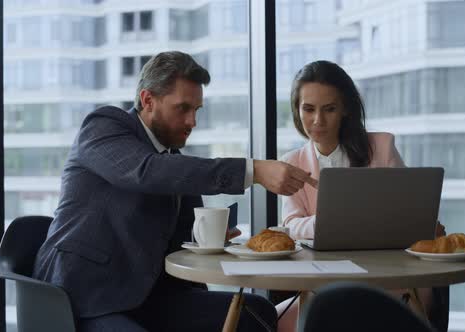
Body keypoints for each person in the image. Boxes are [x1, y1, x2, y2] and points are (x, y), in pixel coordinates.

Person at [32, 51, 317, 332]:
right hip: (89, 296)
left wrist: (206, 239)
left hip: (151, 297)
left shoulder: (172, 159)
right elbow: (146, 172)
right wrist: (253, 170)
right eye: (182, 108)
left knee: (257, 313)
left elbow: (182, 235)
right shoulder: (104, 127)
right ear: (148, 100)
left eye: (196, 110)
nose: (192, 121)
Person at [276, 60, 448, 332]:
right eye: (308, 109)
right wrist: (333, 221)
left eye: (329, 109)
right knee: (266, 319)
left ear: (345, 109)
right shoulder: (292, 162)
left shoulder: (381, 147)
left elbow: (411, 210)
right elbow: (291, 226)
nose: (318, 120)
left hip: (392, 279)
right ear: (298, 111)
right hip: (323, 282)